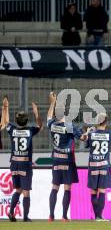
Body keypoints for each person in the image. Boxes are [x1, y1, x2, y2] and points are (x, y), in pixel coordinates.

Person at [1, 97, 42, 222]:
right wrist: (36, 112)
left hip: (14, 163)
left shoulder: (12, 130)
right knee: (26, 192)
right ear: (26, 120)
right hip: (25, 164)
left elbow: (6, 122)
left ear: (17, 121)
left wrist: (5, 107)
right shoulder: (30, 131)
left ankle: (11, 212)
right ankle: (25, 217)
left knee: (17, 190)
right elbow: (40, 125)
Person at [81, 110, 111, 221]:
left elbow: (84, 139)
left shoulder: (91, 134)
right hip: (104, 166)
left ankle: (97, 216)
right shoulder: (109, 134)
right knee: (102, 191)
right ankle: (99, 216)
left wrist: (88, 131)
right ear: (106, 123)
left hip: (93, 165)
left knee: (93, 192)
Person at [47, 92, 82, 222]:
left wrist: (52, 103)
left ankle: (51, 216)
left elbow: (48, 116)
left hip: (56, 159)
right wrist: (87, 133)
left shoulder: (52, 125)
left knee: (55, 187)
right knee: (67, 187)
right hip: (67, 160)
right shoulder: (69, 126)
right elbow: (82, 138)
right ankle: (64, 216)